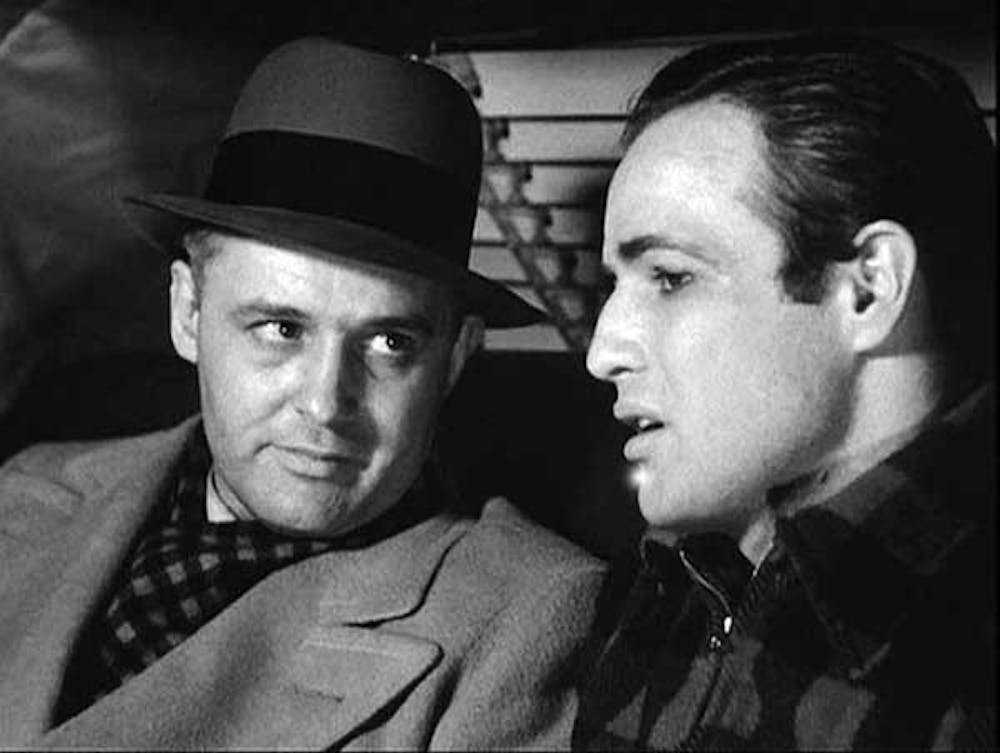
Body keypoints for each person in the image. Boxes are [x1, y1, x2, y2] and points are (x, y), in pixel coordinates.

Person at [0, 37, 605, 749]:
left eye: (390, 343)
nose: (324, 404)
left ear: (454, 359)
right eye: (282, 329)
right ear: (188, 312)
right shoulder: (28, 491)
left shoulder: (522, 618)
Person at [573, 34, 995, 750]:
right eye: (616, 284)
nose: (602, 353)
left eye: (671, 277)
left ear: (868, 289)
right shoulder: (674, 578)